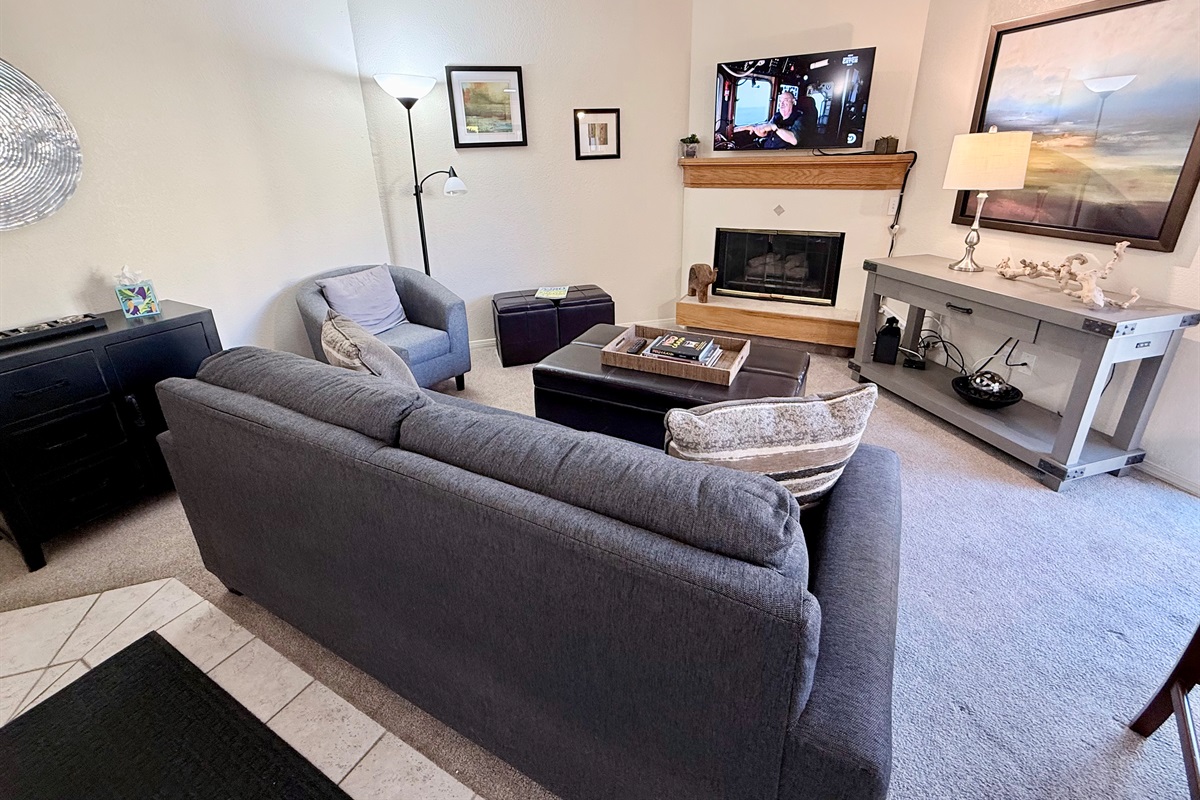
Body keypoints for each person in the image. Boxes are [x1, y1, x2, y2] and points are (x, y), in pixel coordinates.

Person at [733, 89, 804, 149]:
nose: (781, 104)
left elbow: (794, 140)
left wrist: (774, 127)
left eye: (785, 100)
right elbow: (766, 133)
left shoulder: (800, 118)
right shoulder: (777, 116)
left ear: (793, 102)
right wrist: (756, 129)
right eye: (780, 101)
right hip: (766, 148)